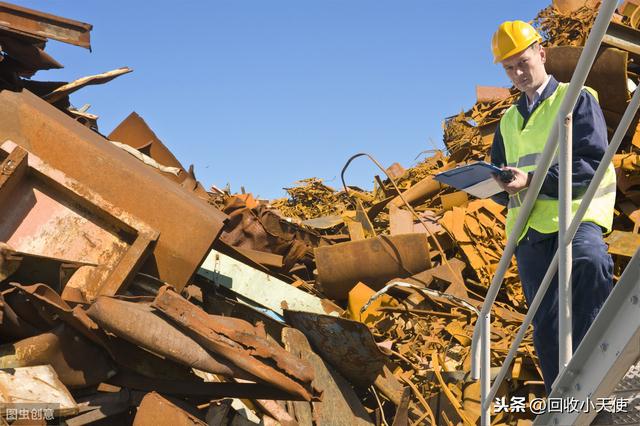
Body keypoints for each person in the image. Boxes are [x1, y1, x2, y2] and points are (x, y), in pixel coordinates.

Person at [489, 20, 617, 393]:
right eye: (509, 68)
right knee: (546, 326)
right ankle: (562, 402)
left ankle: (601, 380)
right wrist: (495, 185)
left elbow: (590, 163)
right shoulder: (508, 121)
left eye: (523, 62)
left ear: (541, 54)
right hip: (530, 234)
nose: (518, 73)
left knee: (591, 262)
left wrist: (531, 180)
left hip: (574, 219)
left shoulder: (576, 98)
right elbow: (503, 177)